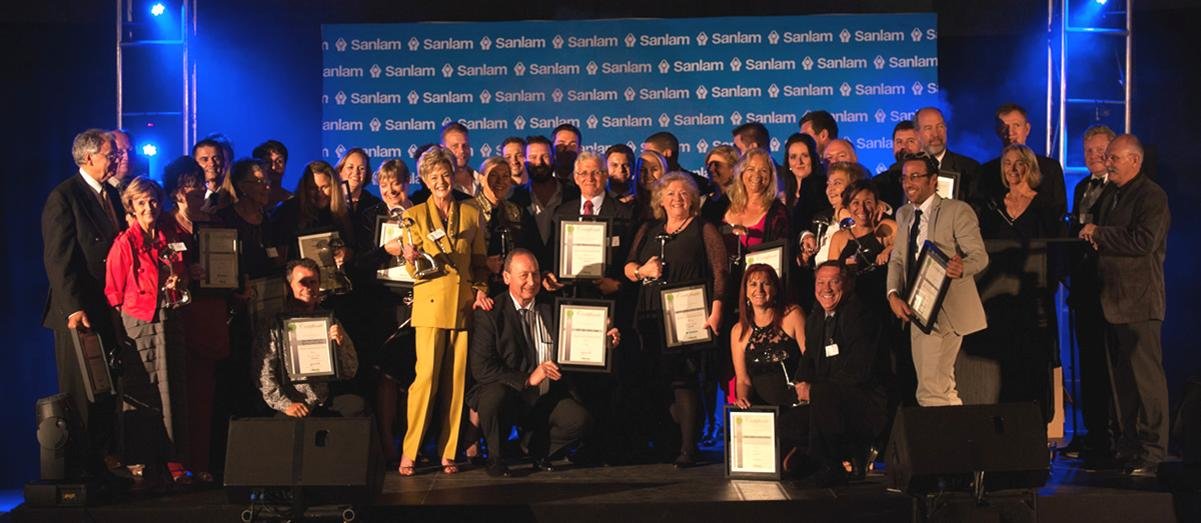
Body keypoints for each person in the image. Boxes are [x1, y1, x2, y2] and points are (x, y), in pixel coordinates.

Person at [469, 249, 618, 477]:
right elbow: (482, 368)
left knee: (579, 420)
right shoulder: (490, 313)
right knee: (492, 396)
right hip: (510, 394)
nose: (532, 282)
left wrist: (602, 339)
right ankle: (495, 458)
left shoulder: (554, 307)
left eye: (536, 274)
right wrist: (527, 379)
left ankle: (536, 449)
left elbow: (576, 342)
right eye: (524, 275)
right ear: (507, 277)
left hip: (546, 395)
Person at [1078, 134, 1170, 476]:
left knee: (1146, 382)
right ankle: (1128, 445)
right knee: (1123, 385)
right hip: (1111, 301)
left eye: (1114, 158)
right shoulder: (1112, 194)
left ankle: (1153, 451)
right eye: (1107, 157)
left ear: (1135, 160)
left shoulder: (1152, 196)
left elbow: (1144, 241)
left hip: (1139, 303)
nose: (1107, 163)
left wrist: (1099, 234)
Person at [397, 146, 491, 476]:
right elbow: (413, 272)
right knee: (425, 381)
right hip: (430, 307)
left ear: (454, 176)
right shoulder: (413, 216)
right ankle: (410, 450)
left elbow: (480, 263)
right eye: (434, 176)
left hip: (462, 307)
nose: (441, 181)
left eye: (446, 174)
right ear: (424, 180)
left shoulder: (471, 212)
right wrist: (410, 258)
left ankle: (449, 451)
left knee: (456, 383)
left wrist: (481, 289)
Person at [625, 173, 728, 467]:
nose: (676, 198)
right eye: (670, 193)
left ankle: (688, 448)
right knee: (658, 379)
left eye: (683, 193)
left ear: (693, 199)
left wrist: (717, 309)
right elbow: (628, 267)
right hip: (650, 313)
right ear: (660, 199)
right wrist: (643, 271)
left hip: (688, 314)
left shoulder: (703, 228)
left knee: (685, 379)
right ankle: (666, 443)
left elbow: (720, 271)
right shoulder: (648, 229)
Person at [42, 129, 125, 482]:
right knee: (84, 393)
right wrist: (74, 308)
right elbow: (58, 259)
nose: (117, 160)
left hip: (108, 307)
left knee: (107, 392)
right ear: (88, 158)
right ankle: (81, 473)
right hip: (79, 314)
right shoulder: (65, 197)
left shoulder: (112, 195)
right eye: (110, 154)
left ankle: (104, 465)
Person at [105, 176, 191, 486]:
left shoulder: (169, 236)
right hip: (139, 322)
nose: (148, 207)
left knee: (173, 389)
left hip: (171, 317)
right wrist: (122, 334)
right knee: (144, 391)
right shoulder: (124, 243)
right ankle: (140, 460)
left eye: (152, 200)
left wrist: (180, 279)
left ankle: (173, 460)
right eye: (141, 202)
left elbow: (182, 272)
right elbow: (113, 293)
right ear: (131, 206)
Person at [886, 153, 989, 406]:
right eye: (904, 178)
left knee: (930, 389)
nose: (908, 183)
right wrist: (893, 294)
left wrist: (962, 267)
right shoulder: (904, 214)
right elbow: (897, 260)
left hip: (947, 308)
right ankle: (956, 431)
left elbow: (979, 256)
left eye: (915, 176)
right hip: (917, 308)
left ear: (933, 180)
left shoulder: (957, 211)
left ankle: (939, 432)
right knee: (941, 386)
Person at [161, 158, 227, 482]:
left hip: (211, 316)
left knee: (205, 396)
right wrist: (186, 272)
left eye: (200, 183)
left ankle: (202, 464)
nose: (197, 190)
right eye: (189, 185)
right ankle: (175, 466)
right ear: (175, 191)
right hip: (179, 318)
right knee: (175, 394)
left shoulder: (216, 224)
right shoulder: (164, 226)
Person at [347, 158, 415, 462]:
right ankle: (387, 440)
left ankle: (413, 441)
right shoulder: (370, 216)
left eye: (396, 183)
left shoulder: (421, 213)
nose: (390, 190)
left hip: (418, 301)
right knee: (387, 374)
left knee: (416, 373)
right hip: (383, 305)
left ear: (408, 182)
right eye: (384, 185)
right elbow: (358, 264)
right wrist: (384, 251)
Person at [796, 261, 889, 485]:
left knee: (823, 396)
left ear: (847, 285)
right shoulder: (816, 317)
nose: (826, 289)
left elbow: (858, 372)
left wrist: (815, 391)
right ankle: (825, 460)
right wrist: (799, 383)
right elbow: (809, 356)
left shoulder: (860, 316)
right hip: (830, 398)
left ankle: (831, 467)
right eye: (820, 282)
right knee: (787, 423)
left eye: (834, 282)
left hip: (864, 402)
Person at [1066, 124, 1117, 466]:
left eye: (1100, 150)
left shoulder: (1121, 189)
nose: (1094, 156)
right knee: (1088, 364)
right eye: (1088, 151)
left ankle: (1112, 436)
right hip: (1084, 288)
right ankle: (1093, 433)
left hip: (1111, 288)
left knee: (1109, 364)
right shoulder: (1082, 186)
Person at [254, 259, 361, 417]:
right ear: (289, 286)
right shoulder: (273, 324)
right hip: (290, 404)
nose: (309, 288)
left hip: (324, 401)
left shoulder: (329, 321)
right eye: (303, 282)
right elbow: (263, 372)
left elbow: (350, 371)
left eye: (313, 282)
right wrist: (285, 405)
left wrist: (341, 345)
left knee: (357, 407)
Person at [730, 264, 807, 470]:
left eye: (765, 283)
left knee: (788, 466)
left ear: (775, 289)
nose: (759, 289)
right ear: (745, 291)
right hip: (763, 414)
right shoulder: (738, 331)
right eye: (753, 284)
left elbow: (811, 360)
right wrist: (742, 398)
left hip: (795, 408)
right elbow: (743, 380)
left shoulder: (792, 315)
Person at [468, 157, 540, 297]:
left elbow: (531, 247)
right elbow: (459, 254)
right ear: (481, 179)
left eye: (505, 176)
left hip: (510, 289)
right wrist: (484, 263)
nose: (500, 181)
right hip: (475, 289)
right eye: (493, 175)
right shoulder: (467, 209)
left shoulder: (517, 211)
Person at [979, 104, 1067, 217]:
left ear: (1027, 129)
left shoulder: (1050, 168)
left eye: (1016, 125)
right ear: (997, 131)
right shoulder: (987, 171)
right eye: (1004, 126)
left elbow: (1060, 214)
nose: (1010, 132)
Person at [828, 180, 897, 313]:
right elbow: (830, 275)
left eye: (868, 202)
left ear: (877, 204)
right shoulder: (839, 237)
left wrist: (889, 249)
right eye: (855, 203)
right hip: (848, 308)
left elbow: (907, 245)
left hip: (878, 306)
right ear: (848, 207)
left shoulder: (885, 228)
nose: (862, 209)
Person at [268, 160, 353, 261]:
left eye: (324, 187)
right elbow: (275, 252)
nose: (319, 193)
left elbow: (354, 249)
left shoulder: (343, 213)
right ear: (304, 188)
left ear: (334, 187)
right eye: (313, 188)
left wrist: (347, 253)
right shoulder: (287, 211)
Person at [980, 143, 1062, 240]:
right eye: (1008, 163)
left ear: (1030, 167)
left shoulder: (1044, 204)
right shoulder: (994, 204)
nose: (1012, 169)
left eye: (1019, 163)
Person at [800, 162, 864, 268]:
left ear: (853, 187)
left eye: (837, 183)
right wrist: (806, 255)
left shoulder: (862, 219)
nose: (830, 189)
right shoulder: (822, 220)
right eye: (828, 184)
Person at [913, 107, 981, 203]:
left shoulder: (969, 169)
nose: (935, 134)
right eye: (928, 128)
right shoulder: (900, 170)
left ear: (946, 129)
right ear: (917, 134)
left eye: (940, 126)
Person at [522, 135, 580, 246]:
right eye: (533, 157)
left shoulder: (574, 194)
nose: (539, 162)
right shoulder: (514, 198)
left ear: (554, 158)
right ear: (524, 161)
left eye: (545, 156)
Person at [874, 121, 922, 210]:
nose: (904, 147)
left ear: (922, 145)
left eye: (911, 141)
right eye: (899, 142)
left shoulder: (932, 178)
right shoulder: (878, 183)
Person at [699, 145, 739, 225]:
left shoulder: (741, 198)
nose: (711, 169)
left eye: (717, 165)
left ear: (733, 169)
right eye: (709, 165)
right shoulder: (703, 198)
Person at [337, 148, 382, 216]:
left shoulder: (375, 204)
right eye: (350, 167)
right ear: (340, 171)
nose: (356, 172)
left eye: (361, 168)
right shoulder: (330, 200)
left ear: (367, 173)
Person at [252, 139, 292, 207]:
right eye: (267, 162)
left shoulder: (292, 201)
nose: (273, 167)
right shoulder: (251, 198)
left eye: (279, 161)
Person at [441, 122, 478, 196]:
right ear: (443, 149)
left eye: (465, 145)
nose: (461, 151)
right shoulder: (441, 187)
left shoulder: (482, 180)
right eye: (455, 146)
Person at [193, 138, 227, 206]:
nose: (212, 164)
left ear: (223, 161)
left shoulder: (234, 193)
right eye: (205, 159)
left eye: (216, 158)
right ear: (194, 164)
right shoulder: (190, 196)